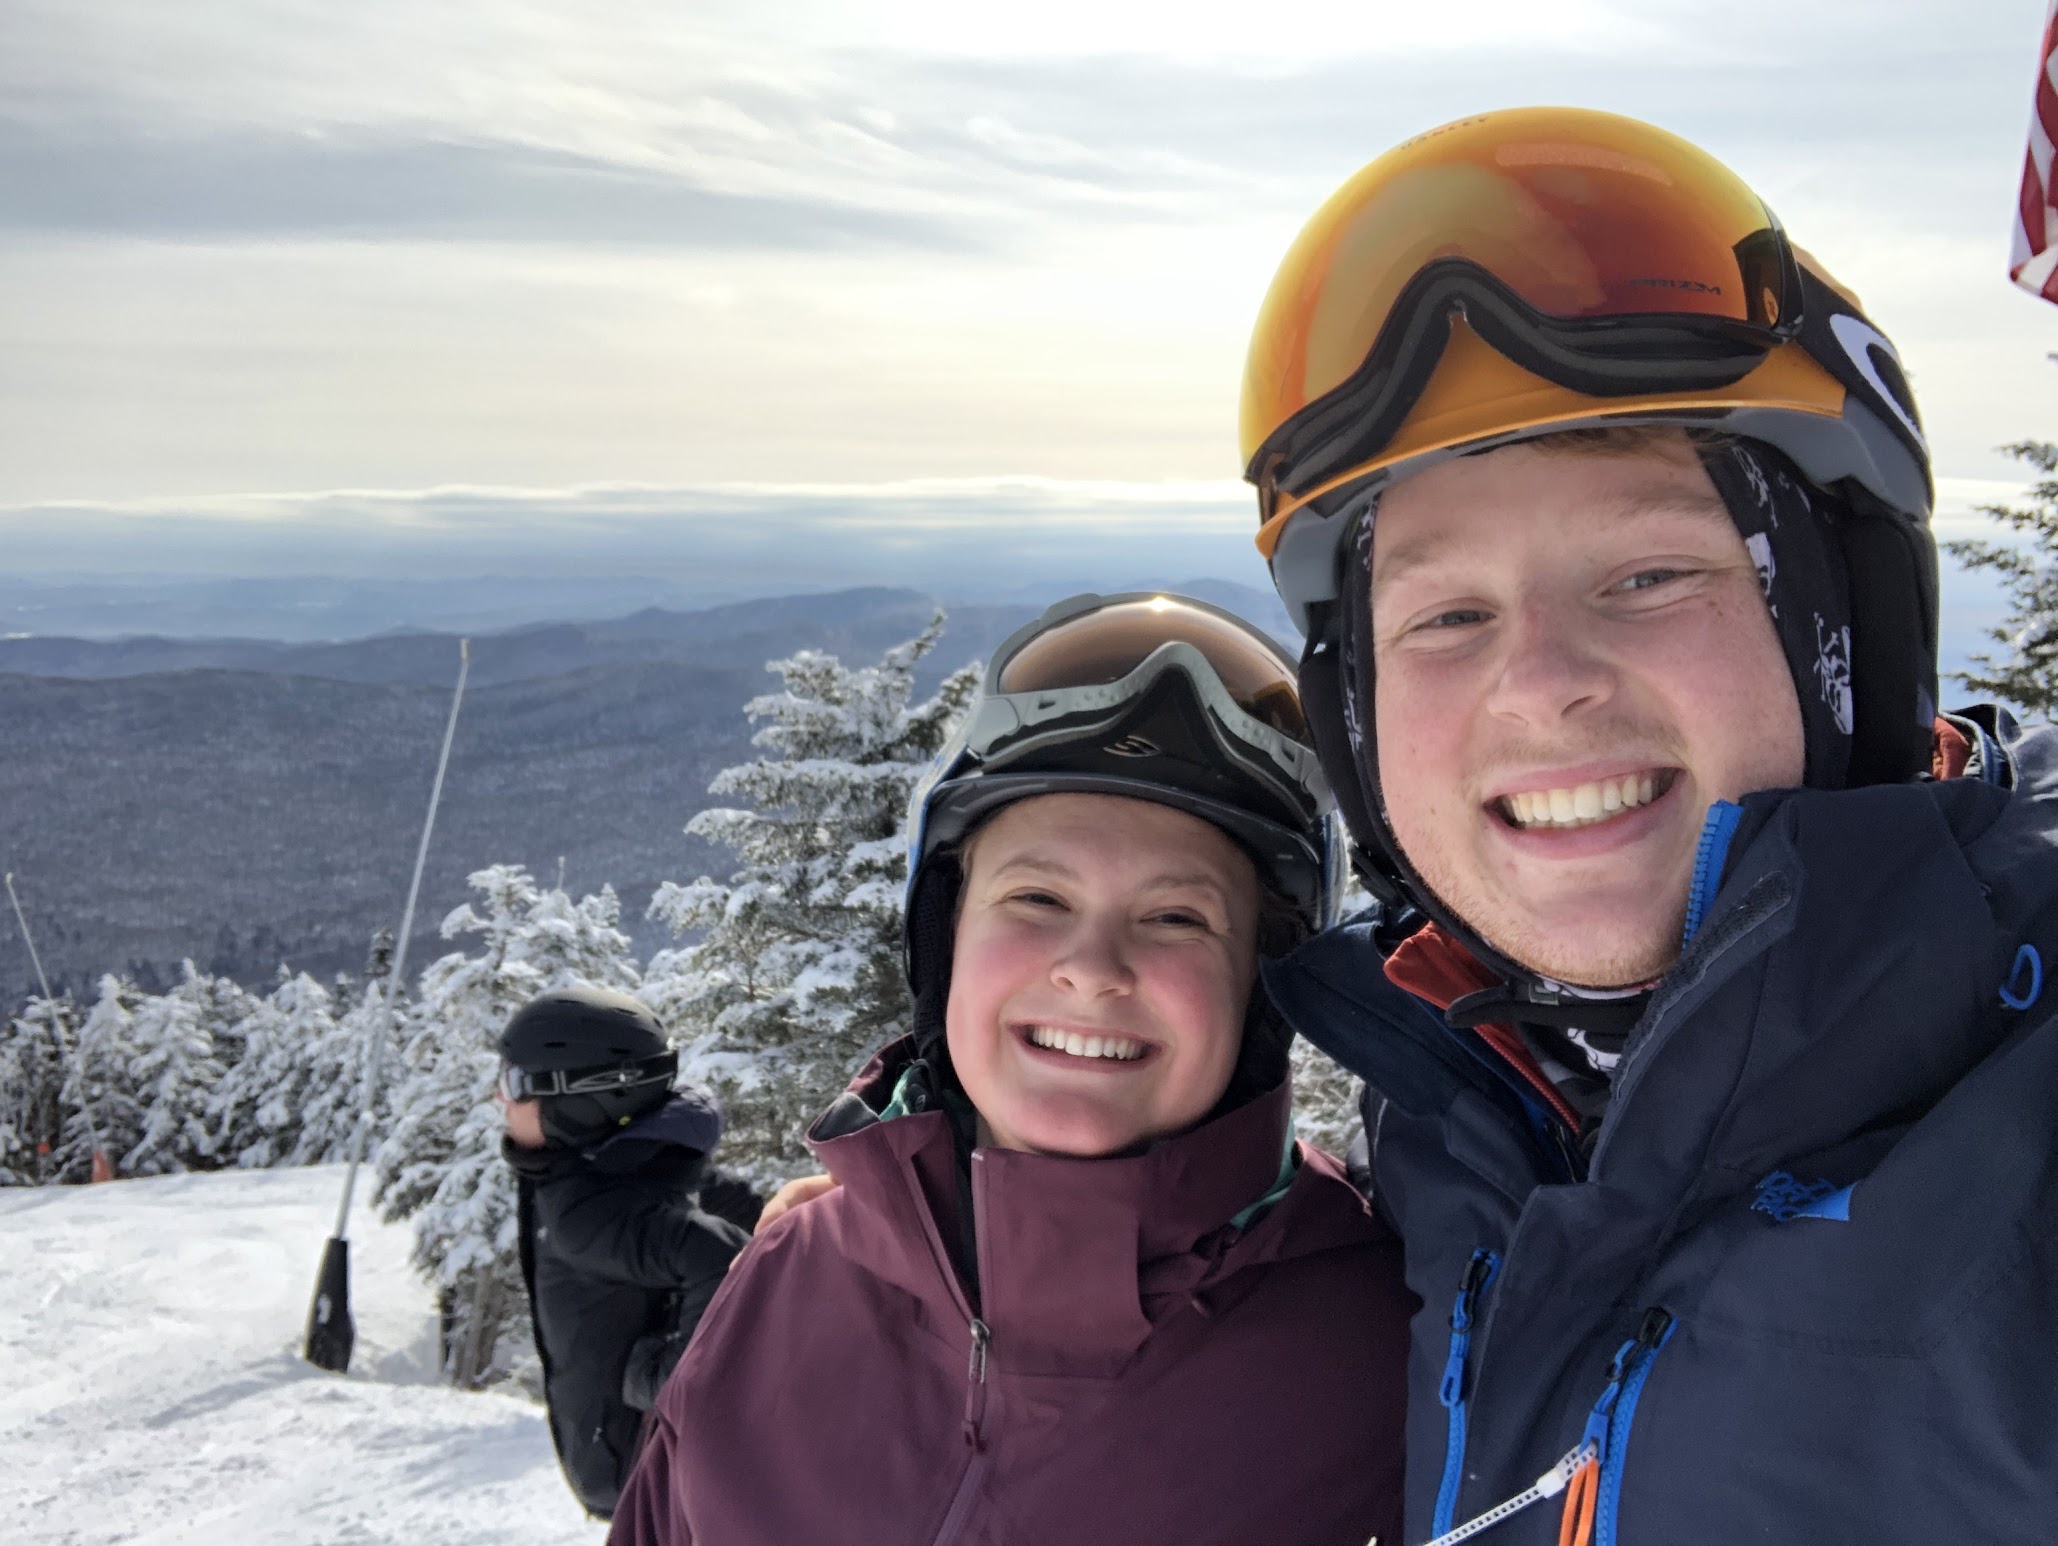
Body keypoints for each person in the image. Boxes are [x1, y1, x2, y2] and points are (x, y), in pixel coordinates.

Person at [1239, 106, 2058, 1542]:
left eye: (1644, 575)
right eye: (1444, 614)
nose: (1538, 683)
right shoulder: (1460, 1108)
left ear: (1841, 632)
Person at [609, 592, 1414, 1546]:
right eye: (1036, 896)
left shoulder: (1391, 1346)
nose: (1092, 967)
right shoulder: (789, 1275)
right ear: (946, 942)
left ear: (1258, 988)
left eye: (1176, 917)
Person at [496, 987, 757, 1520]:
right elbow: (748, 1215)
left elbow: (718, 1255)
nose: (498, 1097)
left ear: (583, 1097)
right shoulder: (638, 1161)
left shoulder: (588, 1212)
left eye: (513, 1083)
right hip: (659, 1468)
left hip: (641, 1477)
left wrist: (669, 1383)